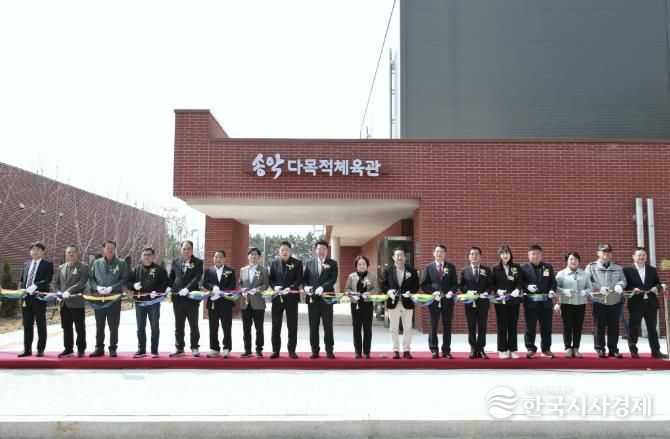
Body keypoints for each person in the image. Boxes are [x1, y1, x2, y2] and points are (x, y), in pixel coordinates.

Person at [623, 247, 668, 359]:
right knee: (634, 328)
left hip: (651, 303)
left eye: (643, 255)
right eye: (639, 255)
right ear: (633, 257)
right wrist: (633, 289)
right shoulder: (627, 270)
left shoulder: (652, 269)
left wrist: (657, 287)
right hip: (635, 303)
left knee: (652, 329)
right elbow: (625, 286)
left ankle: (656, 351)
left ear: (646, 257)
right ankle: (633, 351)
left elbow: (658, 283)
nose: (641, 257)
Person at [88, 240, 129, 358]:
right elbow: (91, 279)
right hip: (99, 298)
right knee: (99, 324)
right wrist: (97, 287)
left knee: (113, 324)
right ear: (103, 249)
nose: (110, 250)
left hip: (114, 298)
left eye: (112, 248)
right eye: (107, 247)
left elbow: (125, 279)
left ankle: (113, 348)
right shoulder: (96, 263)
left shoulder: (121, 263)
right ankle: (99, 348)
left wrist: (112, 287)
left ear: (115, 249)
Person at [585, 243, 626, 358]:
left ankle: (613, 349)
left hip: (614, 301)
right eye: (603, 252)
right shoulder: (591, 267)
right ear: (598, 253)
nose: (606, 254)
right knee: (599, 326)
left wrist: (620, 285)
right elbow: (587, 281)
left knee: (614, 326)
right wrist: (598, 288)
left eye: (608, 252)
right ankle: (600, 349)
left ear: (611, 254)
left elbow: (623, 280)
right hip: (599, 300)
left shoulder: (618, 268)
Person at [127, 246, 168, 358]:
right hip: (140, 302)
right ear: (142, 256)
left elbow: (165, 283)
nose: (147, 257)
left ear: (153, 256)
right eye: (145, 255)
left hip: (154, 303)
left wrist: (158, 291)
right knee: (140, 327)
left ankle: (154, 350)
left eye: (149, 255)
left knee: (154, 326)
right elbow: (128, 282)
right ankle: (141, 349)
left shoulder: (159, 270)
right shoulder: (136, 269)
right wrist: (133, 286)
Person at [420, 244, 458, 359]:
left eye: (441, 251)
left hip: (447, 301)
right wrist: (433, 292)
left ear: (445, 254)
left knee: (447, 326)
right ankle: (434, 349)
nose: (439, 254)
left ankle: (446, 350)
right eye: (437, 251)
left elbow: (455, 284)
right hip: (434, 301)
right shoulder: (428, 267)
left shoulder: (451, 267)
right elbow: (424, 284)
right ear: (433, 253)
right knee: (433, 325)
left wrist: (451, 292)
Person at [303, 240, 339, 359]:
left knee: (328, 325)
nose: (321, 251)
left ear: (327, 251)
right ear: (315, 250)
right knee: (313, 326)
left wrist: (323, 287)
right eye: (319, 249)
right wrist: (305, 287)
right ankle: (315, 350)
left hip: (327, 298)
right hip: (313, 299)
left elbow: (333, 279)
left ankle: (329, 350)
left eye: (324, 249)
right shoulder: (309, 263)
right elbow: (304, 279)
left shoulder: (332, 263)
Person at [167, 240, 204, 357]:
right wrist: (168, 287)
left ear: (192, 250)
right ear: (181, 250)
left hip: (191, 298)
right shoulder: (175, 261)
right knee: (179, 324)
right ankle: (179, 348)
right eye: (184, 248)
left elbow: (197, 278)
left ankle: (194, 347)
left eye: (188, 249)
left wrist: (187, 288)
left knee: (193, 324)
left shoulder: (198, 262)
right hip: (177, 298)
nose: (186, 251)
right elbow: (171, 277)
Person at [381, 248, 419, 359]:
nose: (399, 257)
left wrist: (410, 292)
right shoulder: (388, 271)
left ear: (405, 257)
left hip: (407, 302)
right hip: (393, 302)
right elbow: (383, 284)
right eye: (397, 255)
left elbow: (416, 285)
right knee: (393, 328)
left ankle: (406, 350)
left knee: (408, 328)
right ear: (393, 257)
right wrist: (388, 291)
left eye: (401, 255)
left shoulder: (412, 271)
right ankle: (395, 350)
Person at [520, 244, 557, 358]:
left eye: (538, 254)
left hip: (546, 303)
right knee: (530, 327)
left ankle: (546, 349)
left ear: (541, 255)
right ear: (529, 255)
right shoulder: (523, 268)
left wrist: (552, 290)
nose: (535, 256)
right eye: (533, 254)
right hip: (530, 303)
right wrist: (527, 287)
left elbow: (553, 282)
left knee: (546, 327)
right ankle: (530, 348)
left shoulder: (548, 267)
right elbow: (519, 283)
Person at [51, 245, 88, 358]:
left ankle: (81, 349)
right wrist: (58, 292)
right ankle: (68, 349)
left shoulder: (83, 267)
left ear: (77, 253)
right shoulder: (61, 267)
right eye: (68, 252)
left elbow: (82, 282)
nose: (71, 254)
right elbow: (54, 283)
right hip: (64, 303)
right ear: (65, 254)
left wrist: (69, 291)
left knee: (79, 327)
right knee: (66, 327)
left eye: (73, 252)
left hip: (76, 302)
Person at [18, 241, 54, 357]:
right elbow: (22, 280)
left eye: (38, 250)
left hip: (39, 298)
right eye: (33, 249)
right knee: (27, 325)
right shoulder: (26, 264)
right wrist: (21, 290)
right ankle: (27, 349)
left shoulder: (47, 264)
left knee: (40, 324)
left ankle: (40, 349)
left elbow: (47, 279)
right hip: (26, 298)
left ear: (43, 252)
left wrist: (35, 286)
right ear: (30, 252)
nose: (35, 252)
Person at [268, 241, 303, 359]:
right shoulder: (274, 263)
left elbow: (299, 279)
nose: (284, 252)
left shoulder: (297, 263)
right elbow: (271, 279)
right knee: (276, 325)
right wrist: (274, 287)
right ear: (279, 251)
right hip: (277, 298)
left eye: (286, 250)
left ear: (290, 251)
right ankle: (275, 350)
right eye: (282, 250)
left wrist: (291, 288)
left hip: (291, 298)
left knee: (292, 325)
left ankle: (292, 350)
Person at [555, 251, 592, 358]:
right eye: (571, 259)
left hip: (580, 303)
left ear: (579, 261)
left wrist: (585, 292)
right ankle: (567, 348)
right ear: (567, 261)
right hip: (566, 303)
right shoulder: (561, 274)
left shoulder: (585, 274)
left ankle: (576, 348)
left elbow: (590, 288)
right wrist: (564, 291)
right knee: (567, 326)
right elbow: (555, 287)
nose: (573, 261)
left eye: (576, 259)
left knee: (578, 326)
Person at [459, 246, 492, 359]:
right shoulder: (465, 270)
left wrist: (486, 292)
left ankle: (481, 348)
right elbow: (461, 285)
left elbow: (490, 285)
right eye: (472, 254)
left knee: (482, 326)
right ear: (469, 257)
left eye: (476, 254)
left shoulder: (486, 270)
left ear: (480, 256)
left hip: (483, 302)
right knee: (471, 325)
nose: (474, 256)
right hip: (470, 302)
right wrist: (467, 291)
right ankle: (473, 348)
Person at [490, 244, 523, 359]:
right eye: (503, 253)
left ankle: (512, 349)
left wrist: (517, 290)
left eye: (507, 253)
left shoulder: (516, 267)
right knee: (502, 325)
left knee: (513, 325)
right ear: (500, 255)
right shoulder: (495, 268)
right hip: (501, 302)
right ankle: (502, 349)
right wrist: (497, 290)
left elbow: (520, 282)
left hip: (514, 301)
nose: (505, 255)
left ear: (510, 255)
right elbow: (491, 284)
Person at [202, 250, 236, 358]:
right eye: (216, 257)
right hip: (213, 302)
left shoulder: (230, 271)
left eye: (220, 257)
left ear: (224, 259)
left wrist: (220, 292)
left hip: (226, 302)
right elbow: (205, 283)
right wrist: (213, 287)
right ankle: (214, 349)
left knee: (226, 326)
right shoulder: (209, 271)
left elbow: (232, 285)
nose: (218, 259)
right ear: (213, 258)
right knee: (213, 326)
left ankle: (226, 348)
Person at [344, 255, 379, 359]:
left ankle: (367, 351)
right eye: (359, 264)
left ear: (367, 265)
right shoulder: (351, 276)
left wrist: (369, 293)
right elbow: (347, 289)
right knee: (356, 328)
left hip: (367, 304)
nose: (361, 266)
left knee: (367, 328)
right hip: (355, 305)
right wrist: (351, 294)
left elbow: (376, 289)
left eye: (364, 264)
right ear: (356, 266)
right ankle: (358, 352)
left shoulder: (372, 276)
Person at [239, 247, 269, 358]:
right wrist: (242, 290)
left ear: (259, 257)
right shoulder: (243, 270)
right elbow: (240, 283)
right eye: (251, 254)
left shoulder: (263, 270)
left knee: (259, 328)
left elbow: (266, 285)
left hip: (258, 303)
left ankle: (259, 350)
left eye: (256, 254)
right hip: (245, 303)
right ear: (248, 257)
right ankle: (247, 350)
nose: (253, 256)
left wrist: (257, 289)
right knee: (246, 328)